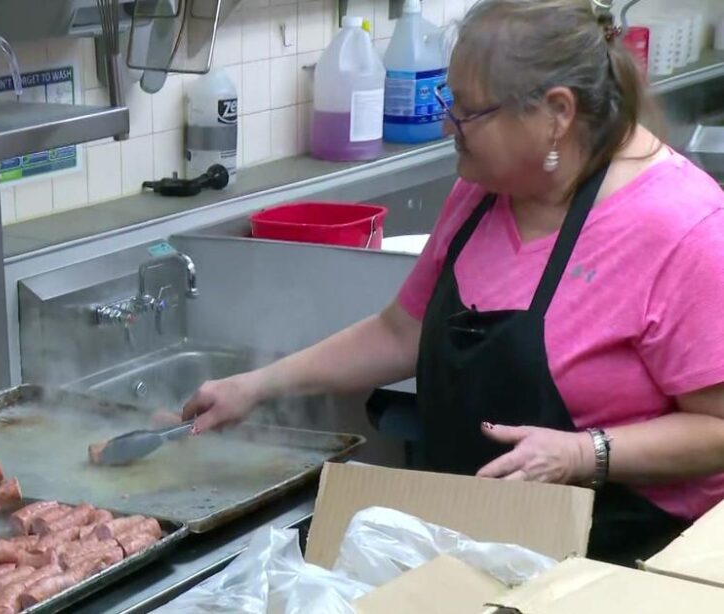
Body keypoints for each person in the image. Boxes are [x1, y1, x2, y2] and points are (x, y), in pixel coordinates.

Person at [183, 0, 724, 565]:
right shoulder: (486, 187)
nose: (448, 126)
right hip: (481, 542)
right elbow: (401, 332)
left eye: (467, 112)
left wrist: (584, 454)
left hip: (629, 560)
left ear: (556, 113)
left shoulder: (683, 227)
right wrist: (256, 386)